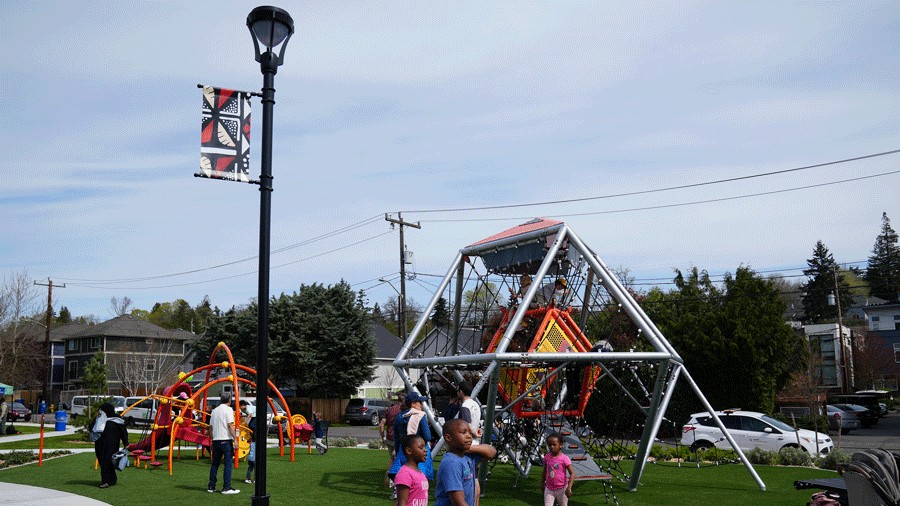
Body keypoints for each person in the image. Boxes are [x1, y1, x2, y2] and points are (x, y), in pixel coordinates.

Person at [434, 418, 497, 506]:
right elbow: (458, 502)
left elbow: (491, 452)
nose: (469, 436)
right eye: (463, 432)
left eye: (470, 433)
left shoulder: (467, 457)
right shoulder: (452, 463)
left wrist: (468, 448)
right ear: (448, 438)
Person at [389, 391, 434, 490]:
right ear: (413, 403)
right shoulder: (421, 415)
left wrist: (397, 451)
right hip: (418, 449)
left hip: (403, 450)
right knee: (419, 475)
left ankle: (399, 493)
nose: (421, 405)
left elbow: (396, 438)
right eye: (419, 402)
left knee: (403, 474)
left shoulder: (399, 417)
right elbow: (427, 436)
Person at [207, 392, 240, 495]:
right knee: (228, 464)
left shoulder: (214, 411)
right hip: (225, 440)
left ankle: (211, 486)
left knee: (215, 464)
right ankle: (226, 487)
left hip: (216, 440)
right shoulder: (229, 410)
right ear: (229, 401)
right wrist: (235, 439)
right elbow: (230, 425)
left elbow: (211, 427)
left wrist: (212, 439)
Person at [94, 402, 128, 489]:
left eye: (102, 410)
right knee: (103, 462)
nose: (100, 412)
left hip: (111, 445)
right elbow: (91, 428)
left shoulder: (117, 420)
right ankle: (112, 479)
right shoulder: (100, 419)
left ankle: (105, 481)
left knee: (107, 461)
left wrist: (126, 443)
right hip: (99, 444)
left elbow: (123, 432)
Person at [395, 434, 429, 506]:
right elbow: (402, 503)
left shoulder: (420, 473)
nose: (425, 450)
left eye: (425, 447)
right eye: (421, 447)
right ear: (409, 451)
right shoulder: (405, 474)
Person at [542, 434, 575, 506]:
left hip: (562, 489)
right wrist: (542, 483)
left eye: (554, 445)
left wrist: (569, 488)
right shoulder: (547, 457)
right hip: (549, 488)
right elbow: (545, 471)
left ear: (560, 445)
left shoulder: (564, 458)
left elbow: (572, 473)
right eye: (549, 445)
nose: (551, 447)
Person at [381, 392, 405, 488]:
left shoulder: (389, 410)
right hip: (398, 438)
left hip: (389, 437)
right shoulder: (403, 411)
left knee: (392, 458)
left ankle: (389, 478)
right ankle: (397, 481)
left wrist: (382, 437)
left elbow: (381, 424)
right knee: (399, 460)